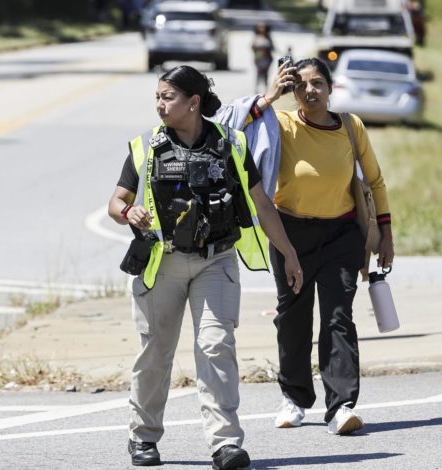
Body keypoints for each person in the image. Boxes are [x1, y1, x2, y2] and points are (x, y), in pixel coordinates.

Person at [108, 65, 303, 469]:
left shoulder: (230, 144)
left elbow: (262, 204)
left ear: (193, 103)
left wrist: (288, 253)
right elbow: (115, 203)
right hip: (162, 263)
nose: (160, 104)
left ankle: (225, 443)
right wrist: (130, 213)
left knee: (216, 346)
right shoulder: (144, 147)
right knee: (155, 353)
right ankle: (142, 438)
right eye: (157, 97)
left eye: (168, 97)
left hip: (216, 261)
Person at [251, 57, 395, 435]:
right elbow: (234, 129)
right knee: (293, 316)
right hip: (290, 236)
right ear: (291, 91)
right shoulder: (280, 123)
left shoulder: (350, 126)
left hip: (341, 235)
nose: (309, 91)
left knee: (337, 317)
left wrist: (386, 233)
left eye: (317, 83)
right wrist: (270, 95)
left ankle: (341, 405)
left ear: (331, 88)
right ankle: (294, 399)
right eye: (300, 85)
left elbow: (375, 182)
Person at [251, 22, 274, 93]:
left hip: (267, 58)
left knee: (266, 74)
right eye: (260, 27)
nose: (262, 28)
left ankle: (266, 89)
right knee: (258, 73)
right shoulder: (256, 37)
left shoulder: (268, 37)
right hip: (259, 58)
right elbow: (252, 47)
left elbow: (272, 47)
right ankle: (256, 88)